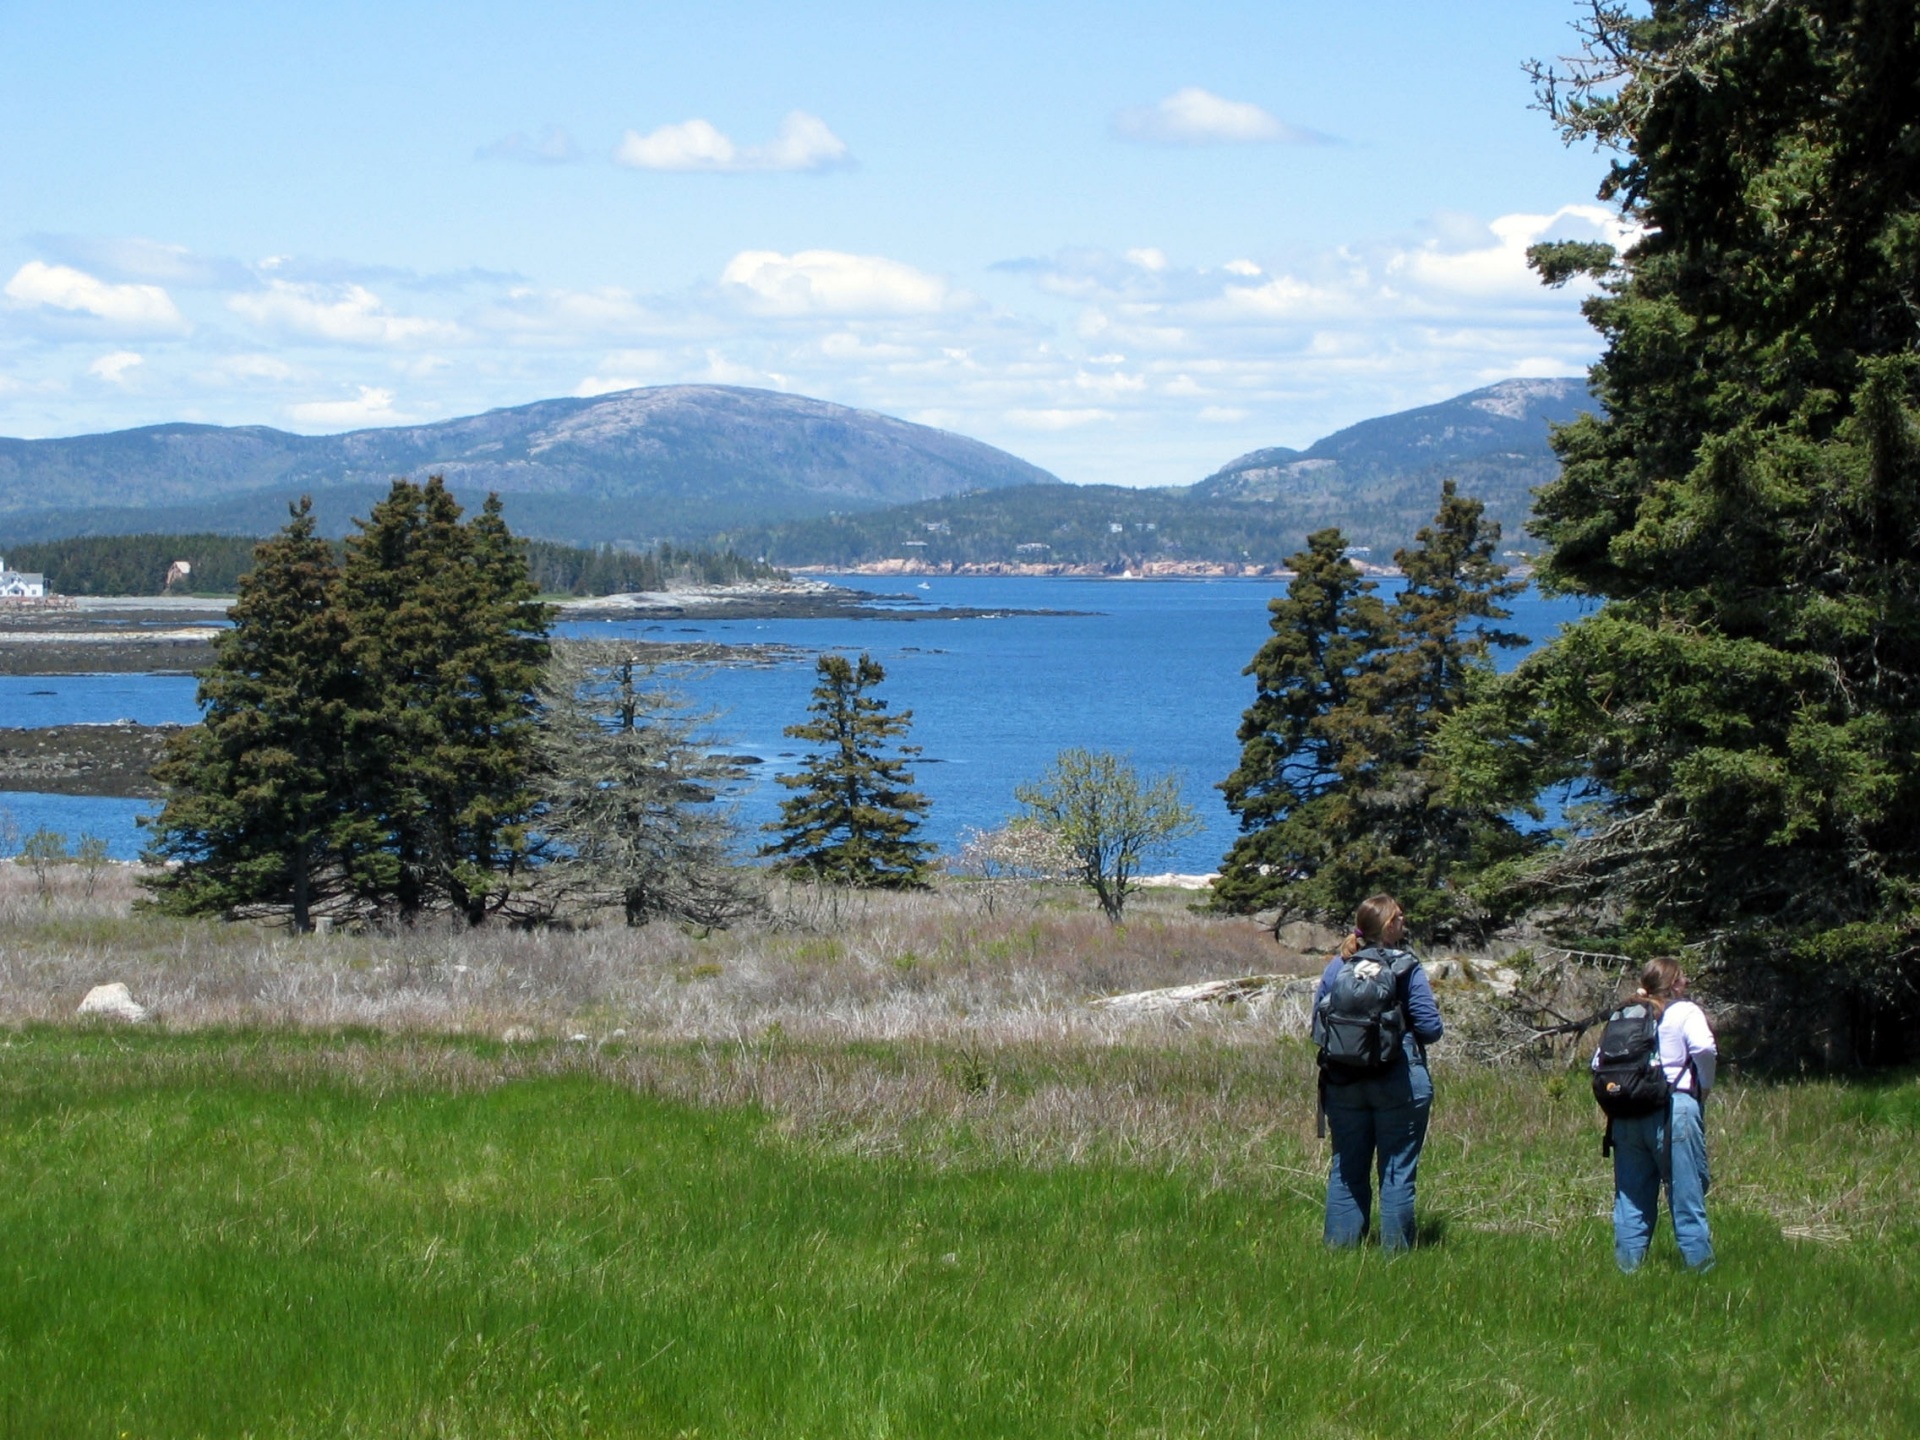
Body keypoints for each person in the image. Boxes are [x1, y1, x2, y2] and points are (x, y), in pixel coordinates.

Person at [1313, 893, 1444, 1250]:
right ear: (1388, 926)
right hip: (1398, 1083)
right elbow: (1431, 1028)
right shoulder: (1406, 967)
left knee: (1345, 1171)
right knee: (1396, 1173)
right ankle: (1396, 1261)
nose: (1404, 922)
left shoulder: (1338, 966)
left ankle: (1339, 1254)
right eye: (1400, 917)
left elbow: (1317, 1024)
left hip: (1342, 1081)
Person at [1595, 957, 1717, 1273]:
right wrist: (1703, 1087)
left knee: (1631, 1199)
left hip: (1626, 1115)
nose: (1687, 983)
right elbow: (1704, 1049)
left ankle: (1628, 1271)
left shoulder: (1626, 1012)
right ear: (1674, 983)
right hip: (1674, 1109)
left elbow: (1598, 1062)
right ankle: (1700, 1271)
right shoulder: (1685, 1011)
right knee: (1686, 1196)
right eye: (1683, 978)